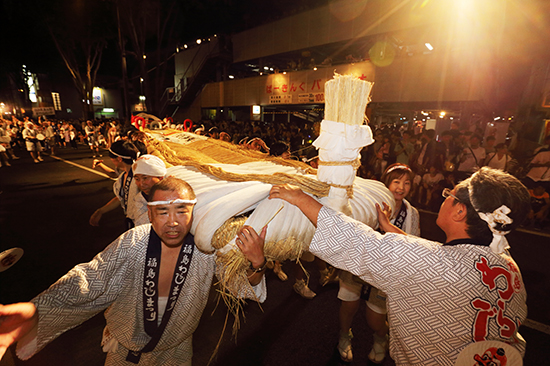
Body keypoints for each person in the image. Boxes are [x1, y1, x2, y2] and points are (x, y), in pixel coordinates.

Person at [269, 167, 530, 365]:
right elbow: (425, 254)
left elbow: (354, 241)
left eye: (448, 195)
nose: (444, 199)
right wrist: (389, 228)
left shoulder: (427, 262)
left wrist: (300, 198)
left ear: (459, 212)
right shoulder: (508, 265)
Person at [0, 177, 267, 365]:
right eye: (162, 211)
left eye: (181, 211)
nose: (172, 222)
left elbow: (240, 285)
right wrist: (37, 309)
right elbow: (89, 278)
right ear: (150, 215)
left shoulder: (205, 247)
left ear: (193, 213)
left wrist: (257, 263)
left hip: (176, 353)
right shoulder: (134, 242)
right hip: (124, 352)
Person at [336, 163, 420, 364]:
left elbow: (415, 243)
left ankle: (381, 338)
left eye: (406, 183)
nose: (401, 187)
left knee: (376, 317)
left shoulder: (411, 213)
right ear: (386, 183)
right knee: (348, 305)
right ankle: (344, 335)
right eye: (396, 181)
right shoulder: (368, 203)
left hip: (387, 270)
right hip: (358, 262)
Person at [90, 140, 141, 229]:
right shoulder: (125, 174)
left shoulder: (139, 178)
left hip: (140, 223)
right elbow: (121, 197)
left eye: (112, 158)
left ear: (119, 159)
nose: (112, 161)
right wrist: (100, 211)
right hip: (132, 221)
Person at [129, 154, 167, 226]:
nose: (141, 184)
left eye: (145, 178)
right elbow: (139, 223)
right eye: (137, 179)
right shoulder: (140, 199)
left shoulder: (174, 191)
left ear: (160, 177)